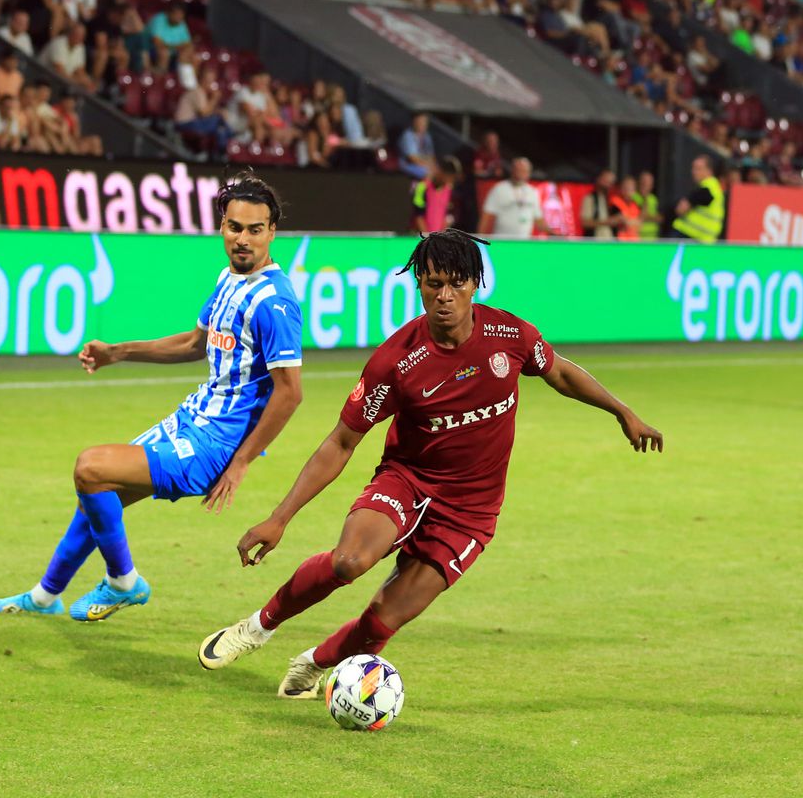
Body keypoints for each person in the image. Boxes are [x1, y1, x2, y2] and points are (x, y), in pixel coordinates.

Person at [197, 229, 662, 695]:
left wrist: (623, 412)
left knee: (384, 620)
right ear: (419, 283)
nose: (444, 296)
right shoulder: (395, 362)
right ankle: (257, 627)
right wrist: (280, 519)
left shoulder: (511, 335)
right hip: (408, 482)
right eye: (433, 283)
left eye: (456, 284)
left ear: (475, 284)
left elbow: (559, 370)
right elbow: (341, 442)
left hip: (470, 512)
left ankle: (316, 663)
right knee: (349, 562)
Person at [0, 174, 305, 621]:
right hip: (191, 419)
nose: (242, 239)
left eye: (254, 229)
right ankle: (44, 597)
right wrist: (118, 352)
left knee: (91, 468)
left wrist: (242, 461)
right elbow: (195, 343)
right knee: (98, 496)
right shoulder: (229, 278)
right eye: (233, 227)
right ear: (222, 226)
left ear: (272, 232)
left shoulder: (275, 301)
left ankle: (123, 582)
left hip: (215, 446)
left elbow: (290, 393)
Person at [478, 157, 553, 238]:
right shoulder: (499, 189)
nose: (520, 174)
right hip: (502, 241)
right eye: (518, 170)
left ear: (528, 173)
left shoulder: (532, 192)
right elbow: (486, 218)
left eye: (523, 171)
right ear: (512, 171)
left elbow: (539, 221)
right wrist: (479, 240)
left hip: (523, 244)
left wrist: (555, 234)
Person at [670, 155, 724, 243]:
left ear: (709, 171)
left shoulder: (707, 189)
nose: (693, 171)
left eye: (698, 168)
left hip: (690, 238)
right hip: (701, 240)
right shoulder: (715, 188)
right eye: (693, 168)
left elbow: (680, 210)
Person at [411, 156, 460, 234]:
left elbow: (449, 216)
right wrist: (427, 237)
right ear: (441, 172)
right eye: (449, 177)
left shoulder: (450, 191)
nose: (450, 181)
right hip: (420, 237)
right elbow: (418, 215)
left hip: (439, 238)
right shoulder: (421, 187)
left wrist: (440, 236)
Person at [580, 168, 617, 238]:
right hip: (595, 242)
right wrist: (607, 222)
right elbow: (584, 223)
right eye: (605, 181)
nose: (608, 185)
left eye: (611, 183)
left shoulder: (612, 200)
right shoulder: (590, 198)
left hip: (610, 242)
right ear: (598, 180)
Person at [397, 112, 435, 179]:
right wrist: (429, 167)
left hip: (423, 164)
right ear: (414, 122)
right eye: (420, 122)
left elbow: (431, 155)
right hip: (407, 165)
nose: (422, 124)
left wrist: (433, 166)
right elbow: (413, 159)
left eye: (424, 122)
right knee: (428, 173)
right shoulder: (407, 136)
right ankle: (420, 189)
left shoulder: (427, 136)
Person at [608, 175, 642, 240]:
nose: (626, 190)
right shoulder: (615, 202)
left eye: (629, 188)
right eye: (624, 187)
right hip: (619, 241)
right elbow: (613, 220)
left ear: (635, 190)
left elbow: (640, 223)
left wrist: (628, 221)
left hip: (634, 241)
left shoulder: (636, 204)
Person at [631, 170, 661, 240]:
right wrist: (644, 200)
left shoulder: (653, 198)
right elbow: (641, 217)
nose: (645, 184)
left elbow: (660, 218)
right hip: (638, 236)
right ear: (639, 182)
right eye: (643, 181)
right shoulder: (633, 197)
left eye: (648, 182)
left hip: (653, 236)